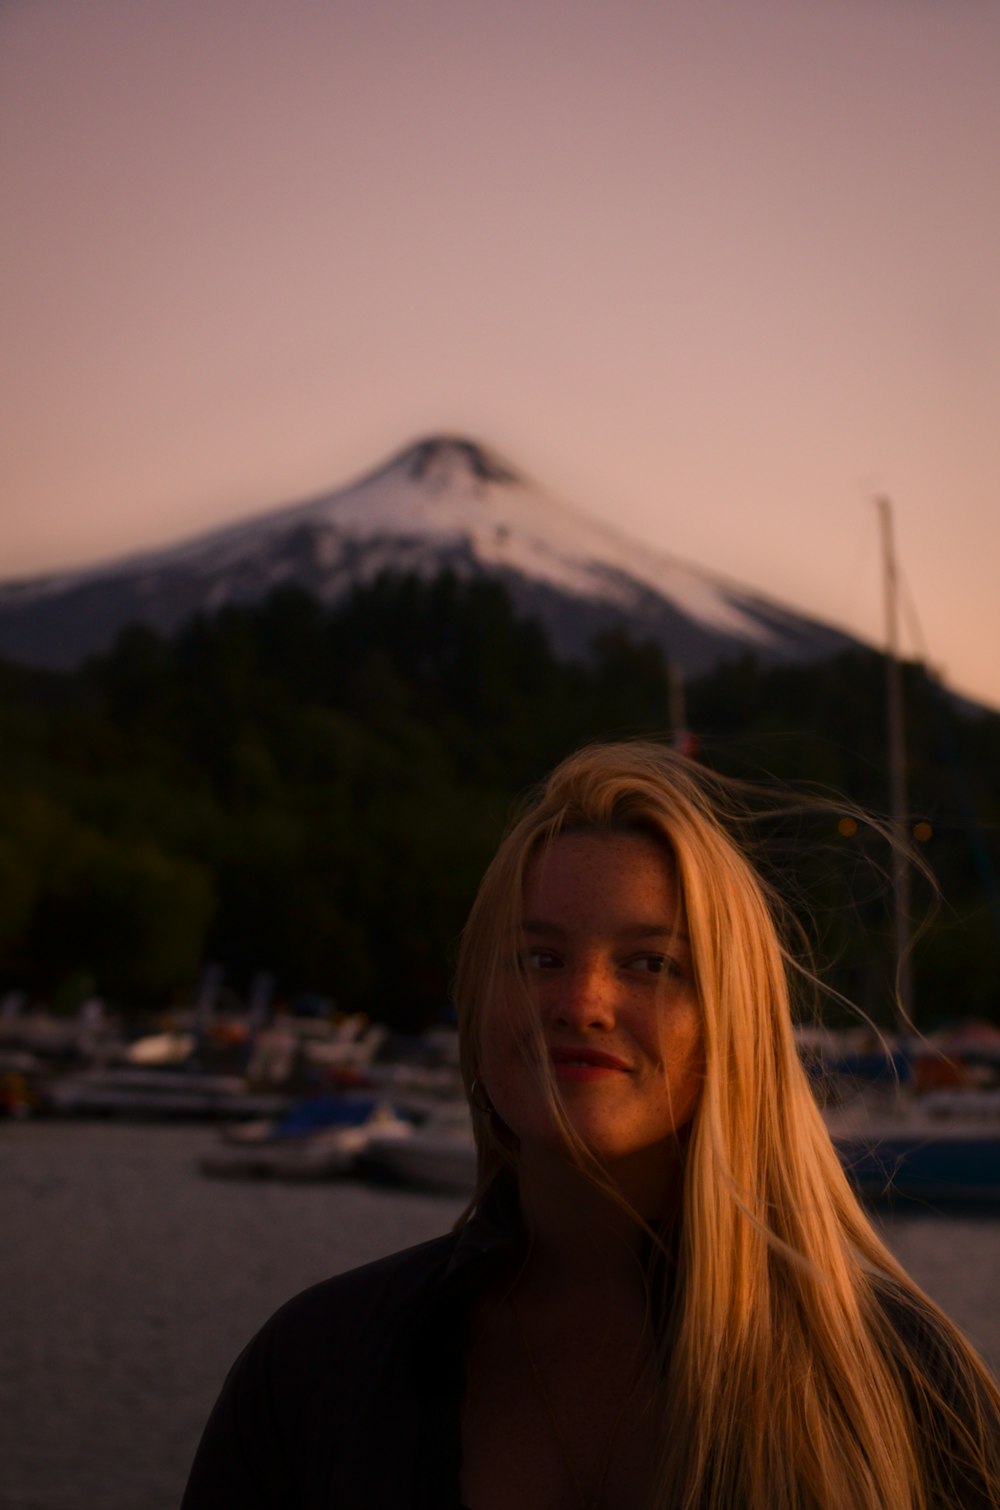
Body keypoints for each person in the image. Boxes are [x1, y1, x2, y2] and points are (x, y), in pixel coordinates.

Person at [182, 740, 1000, 1509]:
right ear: (478, 1005)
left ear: (734, 1022)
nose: (582, 1005)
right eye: (539, 958)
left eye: (651, 964)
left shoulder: (905, 1389)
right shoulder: (316, 1371)